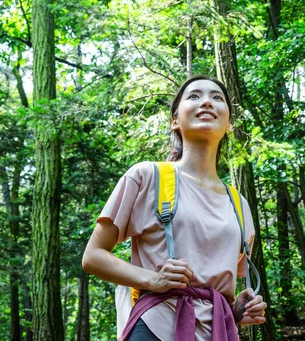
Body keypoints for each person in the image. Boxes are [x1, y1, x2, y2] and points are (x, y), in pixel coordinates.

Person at [82, 77, 267, 340]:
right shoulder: (146, 176)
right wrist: (152, 280)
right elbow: (93, 257)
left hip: (219, 332)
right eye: (194, 96)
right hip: (155, 327)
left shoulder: (239, 205)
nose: (206, 101)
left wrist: (238, 311)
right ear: (175, 121)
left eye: (217, 98)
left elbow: (217, 285)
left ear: (228, 124)